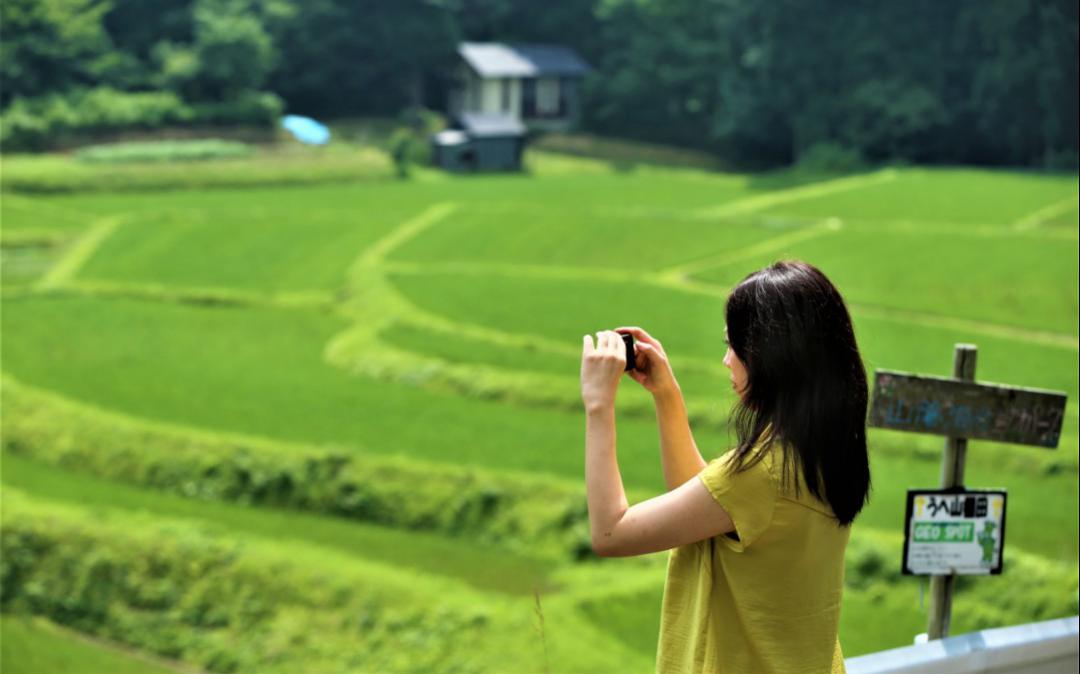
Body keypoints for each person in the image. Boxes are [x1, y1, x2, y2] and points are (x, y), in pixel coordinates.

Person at [580, 259, 871, 674]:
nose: (726, 361)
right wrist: (667, 394)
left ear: (774, 360)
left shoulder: (762, 472)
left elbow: (610, 533)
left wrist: (597, 404)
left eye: (734, 347)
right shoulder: (816, 453)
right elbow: (708, 505)